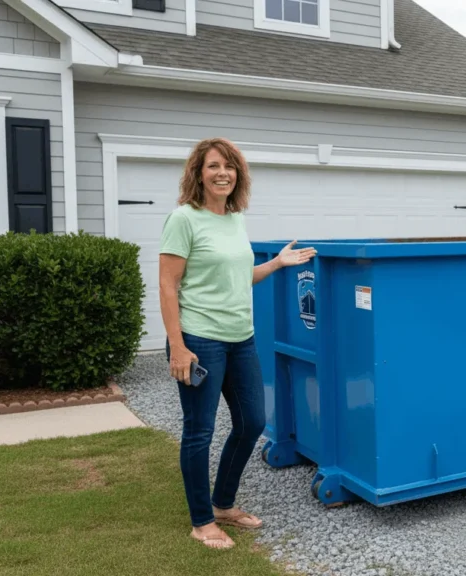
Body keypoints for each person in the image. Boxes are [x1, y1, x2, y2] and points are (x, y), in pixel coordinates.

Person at [158, 137, 316, 549]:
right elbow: (168, 284)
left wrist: (277, 263)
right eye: (213, 166)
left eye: (229, 166)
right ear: (198, 173)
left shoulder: (234, 219)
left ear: (238, 175)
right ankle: (202, 522)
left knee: (252, 423)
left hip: (241, 339)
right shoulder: (183, 219)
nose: (222, 173)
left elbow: (238, 277)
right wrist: (177, 345)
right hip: (200, 339)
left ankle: (223, 504)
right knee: (199, 431)